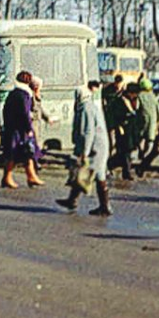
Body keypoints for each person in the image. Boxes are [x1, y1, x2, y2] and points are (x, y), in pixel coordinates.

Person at [57, 80, 112, 216]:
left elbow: (88, 131)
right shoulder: (92, 107)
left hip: (95, 147)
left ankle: (104, 207)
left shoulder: (86, 108)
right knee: (89, 173)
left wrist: (85, 152)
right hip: (100, 145)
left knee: (90, 172)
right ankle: (74, 200)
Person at [0, 71, 44, 188]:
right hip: (19, 130)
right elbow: (25, 113)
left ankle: (31, 176)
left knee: (27, 153)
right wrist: (28, 128)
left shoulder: (14, 93)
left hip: (13, 128)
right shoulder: (24, 95)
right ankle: (7, 177)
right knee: (15, 153)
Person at [103, 78, 134, 181]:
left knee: (123, 151)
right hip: (115, 124)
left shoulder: (124, 95)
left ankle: (112, 166)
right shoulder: (110, 92)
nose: (118, 86)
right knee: (114, 145)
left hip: (124, 127)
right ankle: (110, 165)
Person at [135, 79, 159, 169]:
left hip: (141, 120)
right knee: (149, 139)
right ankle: (145, 153)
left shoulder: (139, 96)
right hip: (153, 121)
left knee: (139, 137)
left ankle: (140, 150)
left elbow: (136, 107)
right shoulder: (153, 96)